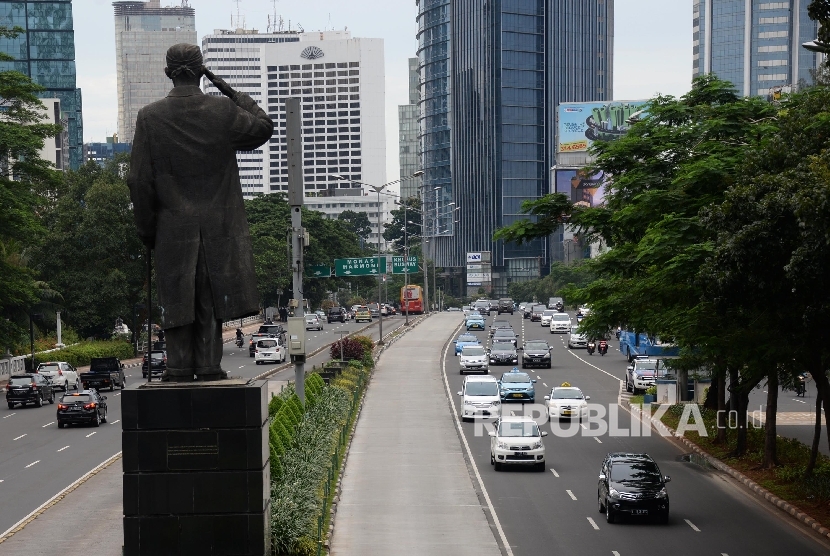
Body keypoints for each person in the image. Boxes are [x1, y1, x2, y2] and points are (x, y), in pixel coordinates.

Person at [128, 43, 273, 381]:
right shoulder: (222, 112)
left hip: (171, 229)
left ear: (168, 72)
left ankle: (178, 367)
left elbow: (138, 180)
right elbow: (263, 125)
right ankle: (208, 366)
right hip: (217, 228)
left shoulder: (150, 117)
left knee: (176, 300)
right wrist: (225, 86)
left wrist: (147, 229)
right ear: (200, 70)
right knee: (209, 299)